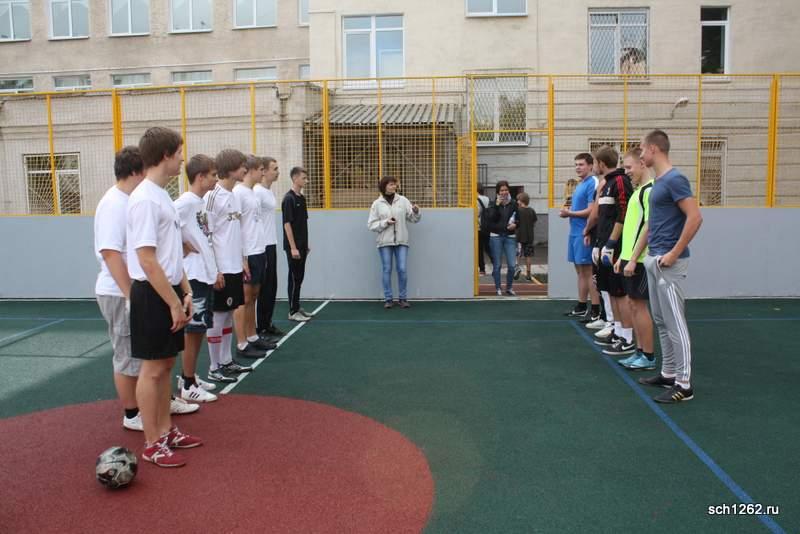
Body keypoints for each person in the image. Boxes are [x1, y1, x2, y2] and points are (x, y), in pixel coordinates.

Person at [127, 127, 201, 467]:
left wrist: (185, 291)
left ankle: (166, 430)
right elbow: (146, 259)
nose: (182, 159)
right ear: (165, 155)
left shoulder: (162, 196)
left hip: (169, 291)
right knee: (153, 369)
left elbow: (171, 254)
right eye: (179, 153)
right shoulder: (144, 199)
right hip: (151, 294)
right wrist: (172, 302)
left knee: (166, 364)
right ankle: (151, 442)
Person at [637, 130, 703, 403]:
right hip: (655, 259)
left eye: (642, 149)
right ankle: (668, 373)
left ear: (654, 148)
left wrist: (674, 253)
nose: (640, 154)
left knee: (676, 323)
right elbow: (653, 223)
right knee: (662, 320)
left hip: (669, 262)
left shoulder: (676, 179)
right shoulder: (659, 182)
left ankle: (684, 385)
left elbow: (695, 217)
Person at [94, 146, 146, 431]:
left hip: (130, 290)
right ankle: (132, 413)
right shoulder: (114, 204)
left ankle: (150, 403)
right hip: (117, 292)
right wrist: (131, 295)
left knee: (140, 353)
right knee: (126, 354)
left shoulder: (129, 200)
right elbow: (111, 253)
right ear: (136, 171)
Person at [173, 154, 221, 402]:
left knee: (200, 328)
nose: (216, 179)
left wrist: (215, 270)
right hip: (193, 275)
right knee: (193, 330)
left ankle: (188, 375)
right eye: (213, 175)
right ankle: (188, 383)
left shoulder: (200, 203)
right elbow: (165, 230)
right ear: (200, 177)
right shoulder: (184, 203)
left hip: (205, 273)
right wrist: (181, 246)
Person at [203, 149, 254, 383]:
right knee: (217, 316)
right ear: (231, 168)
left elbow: (236, 232)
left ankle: (226, 360)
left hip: (234, 266)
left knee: (227, 316)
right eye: (242, 165)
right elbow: (206, 236)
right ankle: (213, 367)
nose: (245, 169)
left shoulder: (234, 195)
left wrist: (242, 260)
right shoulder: (212, 196)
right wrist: (214, 270)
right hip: (220, 268)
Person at [590, 145, 635, 357]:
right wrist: (598, 244)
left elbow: (623, 214)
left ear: (601, 163)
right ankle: (618, 332)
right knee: (610, 291)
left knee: (620, 293)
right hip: (604, 246)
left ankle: (627, 338)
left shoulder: (620, 181)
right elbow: (604, 218)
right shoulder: (607, 184)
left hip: (616, 248)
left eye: (594, 162)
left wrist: (610, 244)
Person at [614, 147, 656, 370]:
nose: (627, 172)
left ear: (642, 163)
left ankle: (648, 356)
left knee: (639, 306)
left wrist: (632, 258)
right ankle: (639, 352)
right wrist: (623, 257)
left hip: (639, 260)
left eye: (629, 167)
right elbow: (632, 227)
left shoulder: (650, 191)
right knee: (632, 304)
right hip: (630, 258)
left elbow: (648, 227)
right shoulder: (639, 190)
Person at [233, 155, 276, 357]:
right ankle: (242, 343)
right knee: (244, 298)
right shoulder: (238, 193)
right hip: (248, 252)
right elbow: (236, 227)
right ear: (250, 170)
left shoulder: (253, 193)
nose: (263, 173)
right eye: (260, 169)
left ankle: (252, 336)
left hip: (259, 250)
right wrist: (242, 257)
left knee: (254, 297)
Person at [367, 176, 422, 308]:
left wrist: (416, 212)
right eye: (391, 184)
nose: (394, 186)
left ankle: (403, 299)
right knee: (387, 269)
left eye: (395, 184)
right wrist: (386, 222)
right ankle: (388, 299)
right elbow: (371, 225)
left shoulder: (403, 200)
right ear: (384, 186)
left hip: (402, 241)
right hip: (384, 242)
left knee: (402, 269)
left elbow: (413, 219)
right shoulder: (377, 204)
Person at [560, 154, 600, 317]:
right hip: (575, 232)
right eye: (576, 164)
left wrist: (570, 213)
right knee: (580, 271)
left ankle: (596, 309)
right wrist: (569, 211)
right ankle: (582, 306)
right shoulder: (580, 184)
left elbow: (592, 210)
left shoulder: (593, 182)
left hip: (584, 233)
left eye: (581, 164)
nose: (578, 167)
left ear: (590, 166)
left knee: (589, 272)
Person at [254, 156, 284, 339]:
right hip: (261, 246)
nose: (277, 171)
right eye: (274, 168)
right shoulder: (257, 192)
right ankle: (259, 327)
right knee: (262, 287)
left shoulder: (268, 192)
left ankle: (267, 323)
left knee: (272, 286)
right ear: (263, 171)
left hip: (271, 244)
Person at [282, 167, 313, 321]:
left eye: (306, 178)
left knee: (299, 277)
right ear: (295, 178)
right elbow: (287, 224)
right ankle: (293, 311)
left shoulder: (302, 198)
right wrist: (293, 247)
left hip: (302, 245)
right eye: (303, 178)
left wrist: (305, 244)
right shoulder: (289, 199)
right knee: (294, 277)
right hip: (293, 247)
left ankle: (297, 306)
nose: (306, 181)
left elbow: (302, 223)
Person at [485, 180, 518, 296]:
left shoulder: (513, 203)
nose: (504, 192)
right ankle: (498, 287)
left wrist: (516, 225)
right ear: (498, 192)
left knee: (512, 266)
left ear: (508, 190)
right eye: (502, 190)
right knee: (497, 265)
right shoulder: (492, 204)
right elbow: (491, 219)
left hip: (510, 237)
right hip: (496, 237)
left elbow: (518, 218)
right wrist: (497, 205)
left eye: (506, 190)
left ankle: (509, 287)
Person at [514, 192, 537, 281]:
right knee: (528, 256)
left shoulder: (518, 210)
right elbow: (534, 222)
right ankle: (528, 274)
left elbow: (515, 222)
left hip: (519, 237)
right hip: (529, 237)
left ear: (521, 201)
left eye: (518, 200)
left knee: (517, 254)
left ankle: (516, 268)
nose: (517, 202)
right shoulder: (532, 210)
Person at [476, 185, 491, 276]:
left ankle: (482, 269)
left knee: (479, 249)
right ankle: (496, 264)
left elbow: (477, 213)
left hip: (479, 227)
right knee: (488, 248)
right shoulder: (487, 199)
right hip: (487, 227)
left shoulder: (476, 199)